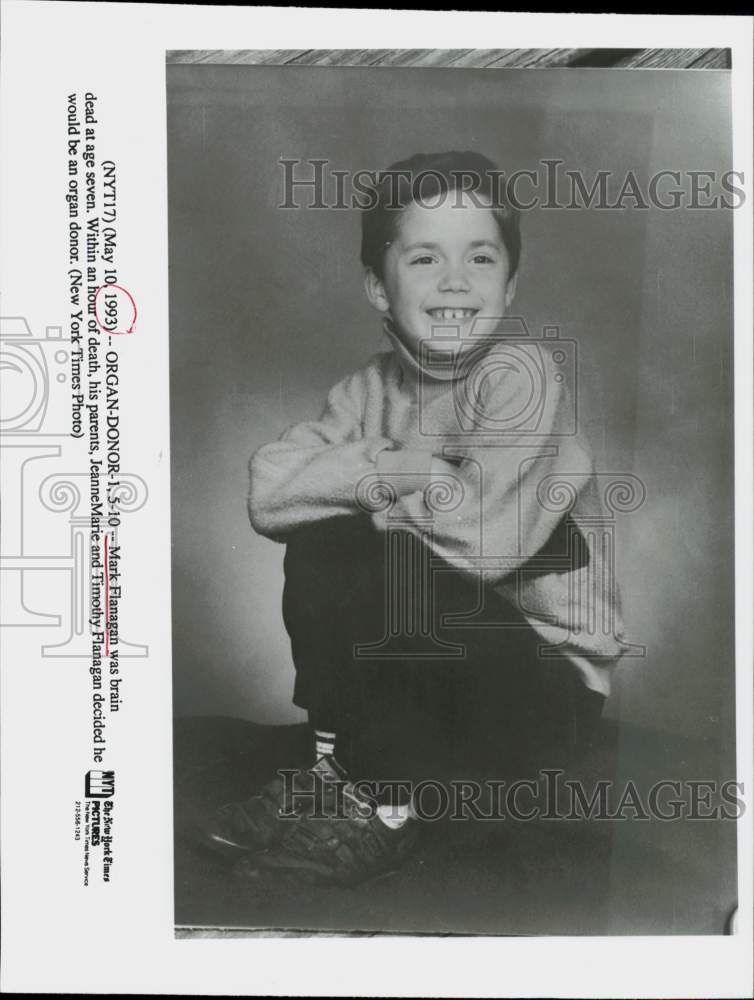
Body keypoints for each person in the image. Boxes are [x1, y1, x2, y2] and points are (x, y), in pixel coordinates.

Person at [195, 151, 627, 888]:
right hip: (418, 680)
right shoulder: (365, 389)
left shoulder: (522, 380)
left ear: (510, 282)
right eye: (425, 257)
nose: (455, 281)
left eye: (480, 258)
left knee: (381, 553)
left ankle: (385, 804)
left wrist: (352, 481)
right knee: (326, 538)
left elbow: (474, 542)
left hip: (535, 695)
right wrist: (406, 471)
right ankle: (333, 774)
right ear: (377, 286)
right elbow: (269, 493)